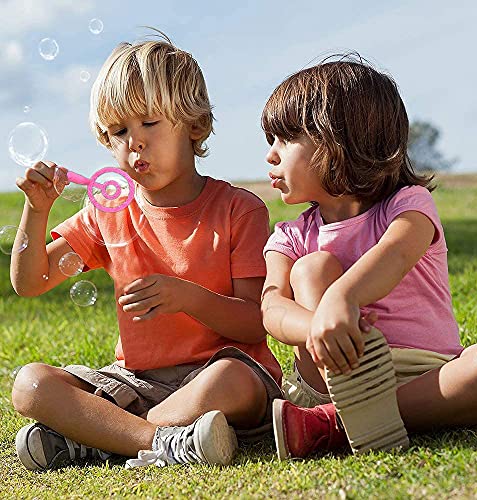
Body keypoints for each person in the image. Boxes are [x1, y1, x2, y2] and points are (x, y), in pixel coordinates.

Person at [10, 31, 283, 471]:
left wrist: (187, 297)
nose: (133, 143)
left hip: (215, 374)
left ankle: (104, 439)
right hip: (136, 383)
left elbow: (255, 323)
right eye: (118, 131)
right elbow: (30, 281)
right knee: (30, 385)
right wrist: (36, 211)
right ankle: (161, 442)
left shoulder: (239, 209)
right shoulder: (108, 211)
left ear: (194, 126)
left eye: (149, 124)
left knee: (235, 380)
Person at [260, 55, 477, 460]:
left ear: (337, 140)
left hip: (424, 375)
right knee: (313, 268)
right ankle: (351, 410)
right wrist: (319, 325)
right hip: (331, 369)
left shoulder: (409, 206)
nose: (271, 155)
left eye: (285, 139)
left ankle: (334, 424)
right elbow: (271, 305)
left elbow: (395, 252)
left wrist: (344, 297)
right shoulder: (290, 234)